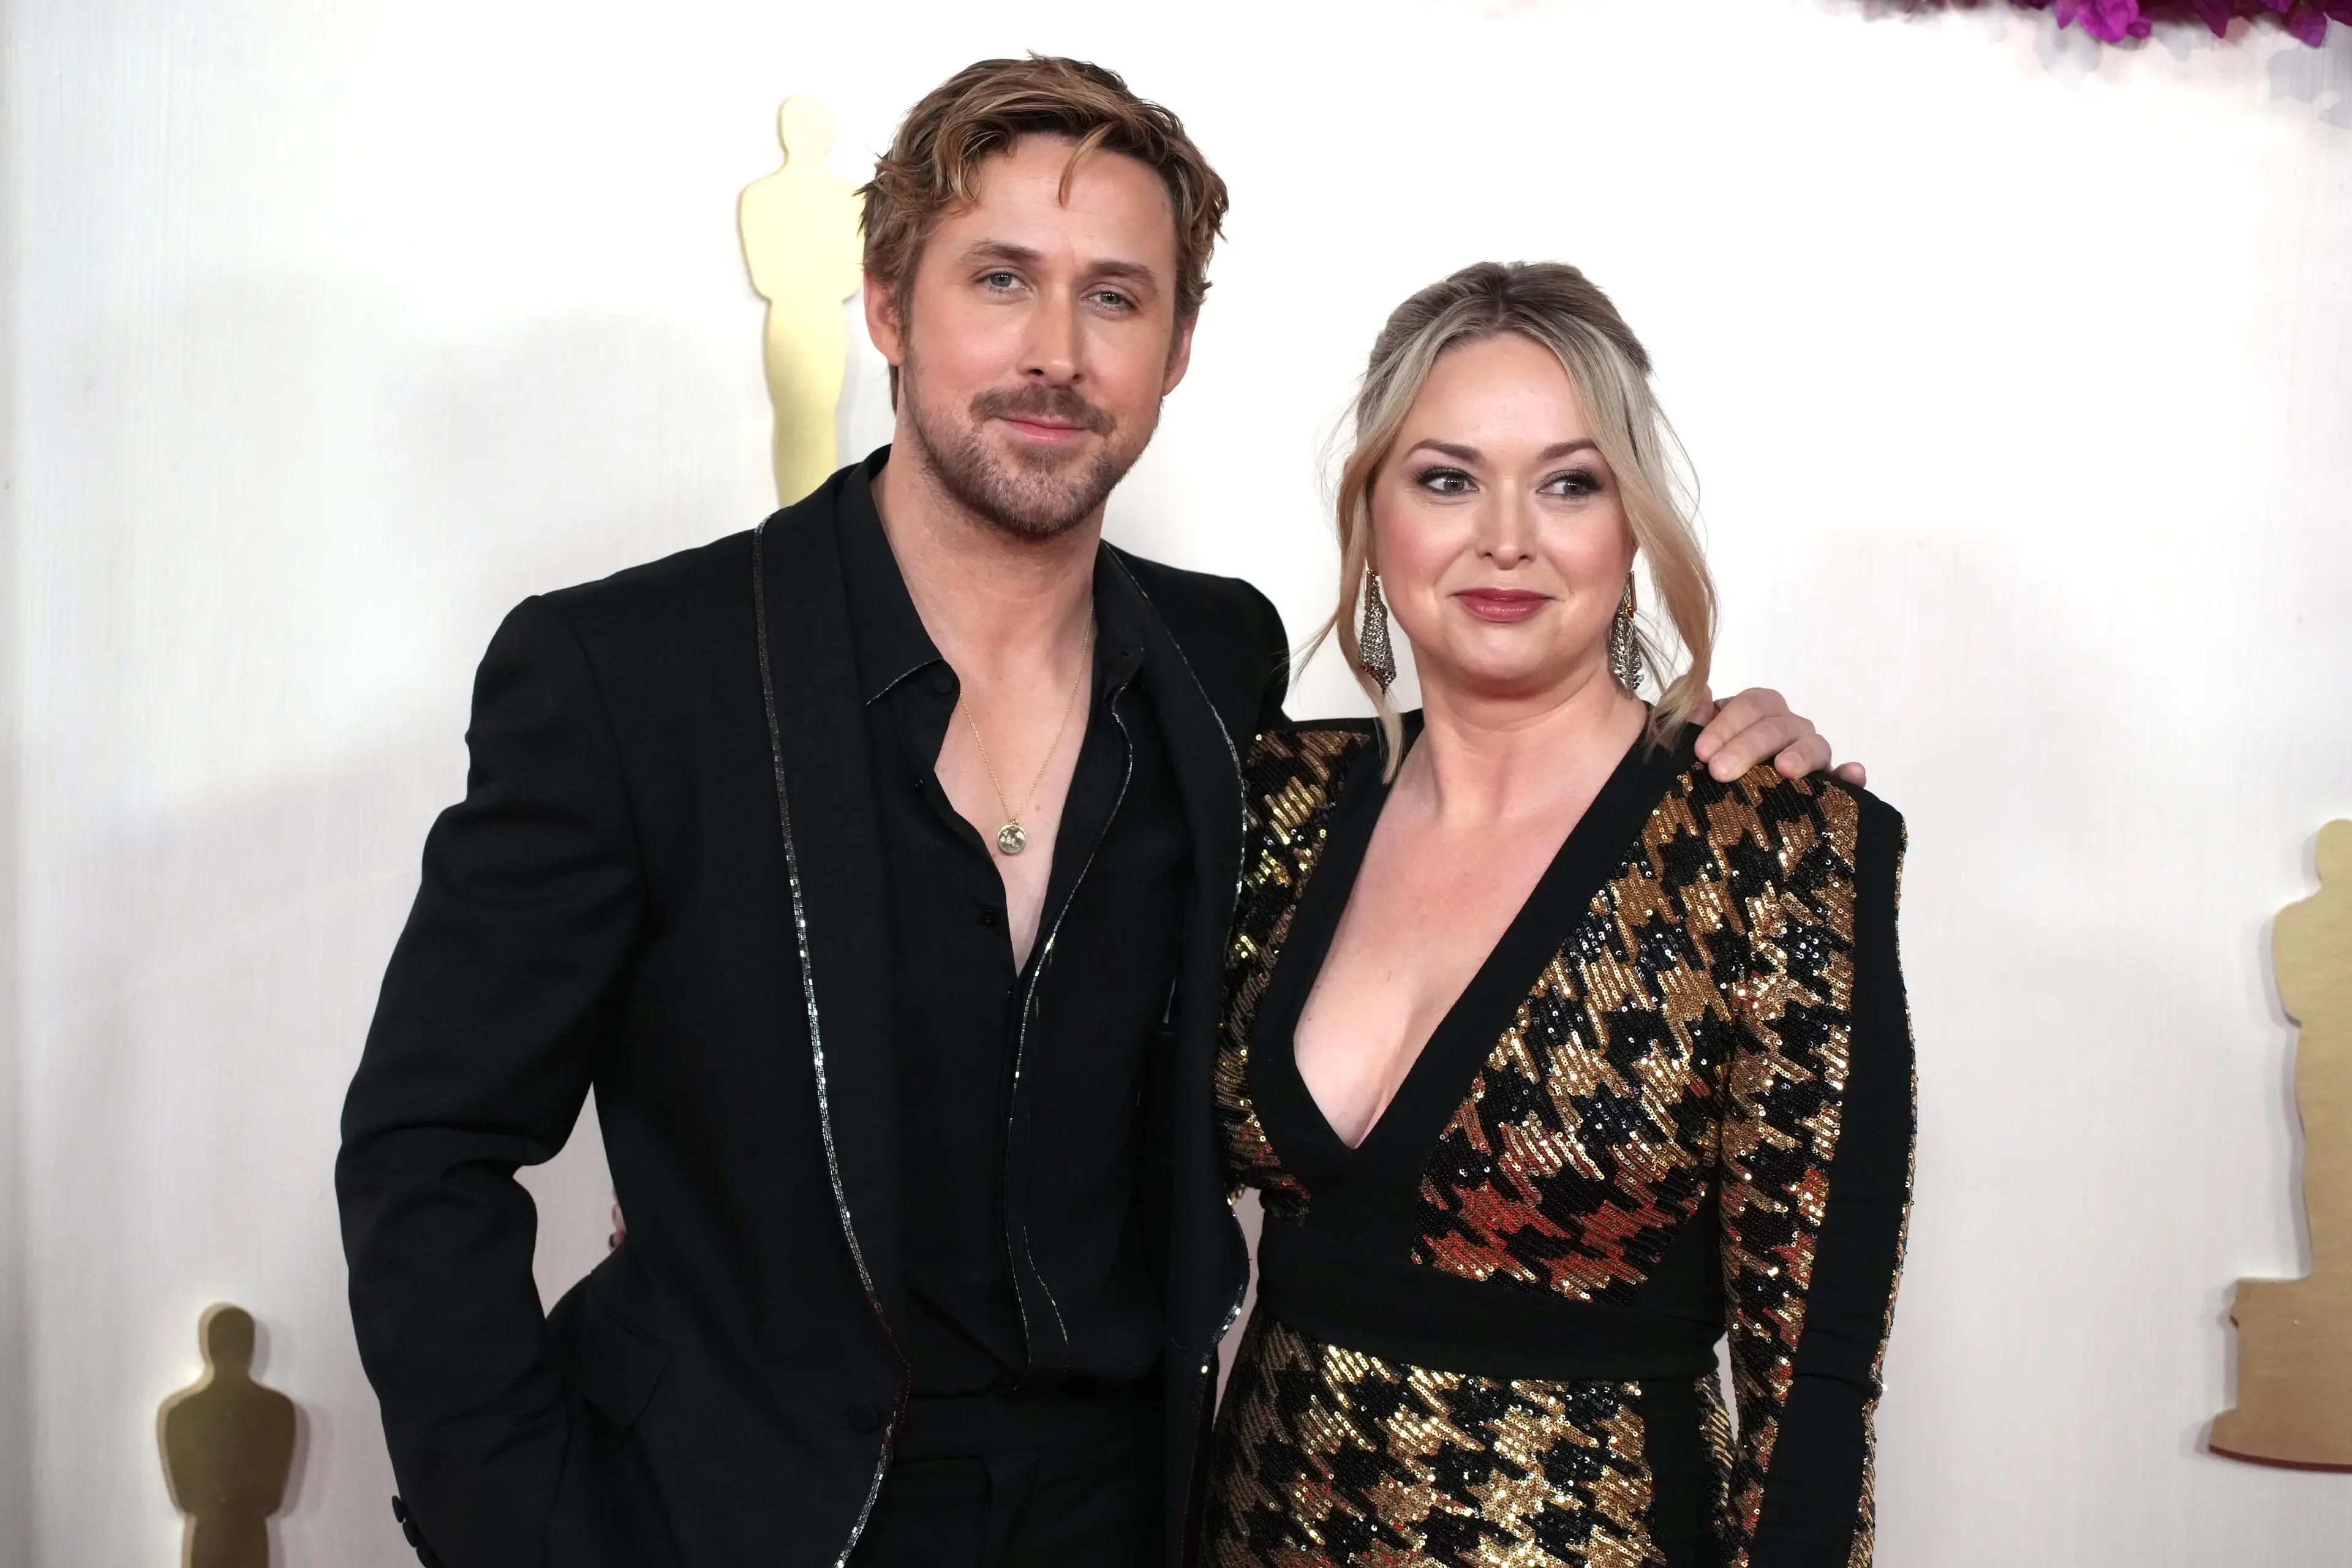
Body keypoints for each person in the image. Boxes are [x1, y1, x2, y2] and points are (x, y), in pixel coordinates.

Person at [336, 59, 1856, 1568]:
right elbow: (426, 1146)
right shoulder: (631, 673)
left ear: (1179, 346)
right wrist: (527, 1527)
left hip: (1137, 1511)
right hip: (736, 1507)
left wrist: (1716, 746)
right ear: (886, 304)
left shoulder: (1220, 669)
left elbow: (1493, 785)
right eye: (1002, 279)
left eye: (1115, 297)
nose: (1055, 352)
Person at [1205, 263, 1913, 1567]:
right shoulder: (1276, 804)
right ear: (1372, 512)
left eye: (1571, 481)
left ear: (1634, 525)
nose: (1508, 536)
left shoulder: (1770, 846)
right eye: (1447, 477)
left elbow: (1813, 1376)